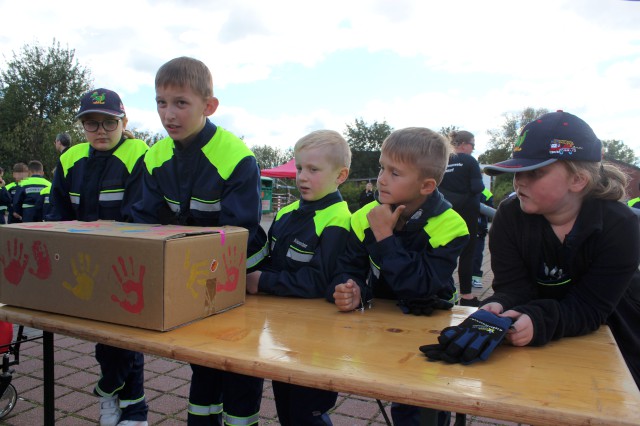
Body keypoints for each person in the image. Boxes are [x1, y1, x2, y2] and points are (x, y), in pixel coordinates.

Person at [130, 56, 268, 426]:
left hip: (240, 279)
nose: (168, 114)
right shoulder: (155, 155)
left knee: (239, 367)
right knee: (203, 364)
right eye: (161, 102)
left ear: (209, 106)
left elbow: (239, 232)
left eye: (180, 103)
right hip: (193, 277)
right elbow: (144, 219)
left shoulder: (236, 156)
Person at [481, 110, 640, 390]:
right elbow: (514, 287)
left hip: (616, 341)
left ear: (578, 180)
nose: (519, 182)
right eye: (517, 171)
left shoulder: (621, 224)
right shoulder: (509, 215)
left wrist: (539, 320)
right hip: (542, 343)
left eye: (534, 172)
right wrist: (499, 305)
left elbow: (591, 307)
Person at [329, 127, 469, 425]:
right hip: (384, 325)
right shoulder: (362, 216)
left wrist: (384, 236)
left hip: (433, 325)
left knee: (424, 406)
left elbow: (419, 287)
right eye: (382, 167)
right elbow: (348, 267)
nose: (381, 178)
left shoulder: (451, 225)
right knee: (399, 399)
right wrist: (351, 290)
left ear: (427, 185)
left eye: (395, 172)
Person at [50, 88, 150, 425]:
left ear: (123, 121)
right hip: (84, 267)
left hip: (126, 264)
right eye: (91, 124)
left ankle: (121, 401)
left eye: (109, 122)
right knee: (105, 339)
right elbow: (57, 215)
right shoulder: (69, 159)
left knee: (122, 338)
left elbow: (139, 214)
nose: (101, 131)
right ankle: (125, 403)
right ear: (81, 126)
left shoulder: (140, 154)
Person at [246, 130, 351, 425]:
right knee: (287, 410)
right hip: (282, 332)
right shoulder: (287, 212)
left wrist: (261, 283)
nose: (302, 177)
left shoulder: (339, 220)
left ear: (340, 175)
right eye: (300, 168)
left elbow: (320, 282)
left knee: (309, 414)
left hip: (317, 341)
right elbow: (269, 259)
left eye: (314, 170)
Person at [438, 130, 484, 306]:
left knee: (443, 250)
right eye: (473, 145)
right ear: (464, 144)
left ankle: (443, 290)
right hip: (467, 212)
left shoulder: (443, 161)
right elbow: (477, 187)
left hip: (445, 212)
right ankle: (466, 296)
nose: (473, 149)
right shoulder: (469, 161)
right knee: (467, 253)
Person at [471, 186, 494, 288]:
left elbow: (490, 211)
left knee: (477, 255)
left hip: (478, 230)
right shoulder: (460, 187)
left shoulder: (486, 193)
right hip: (461, 229)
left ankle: (476, 277)